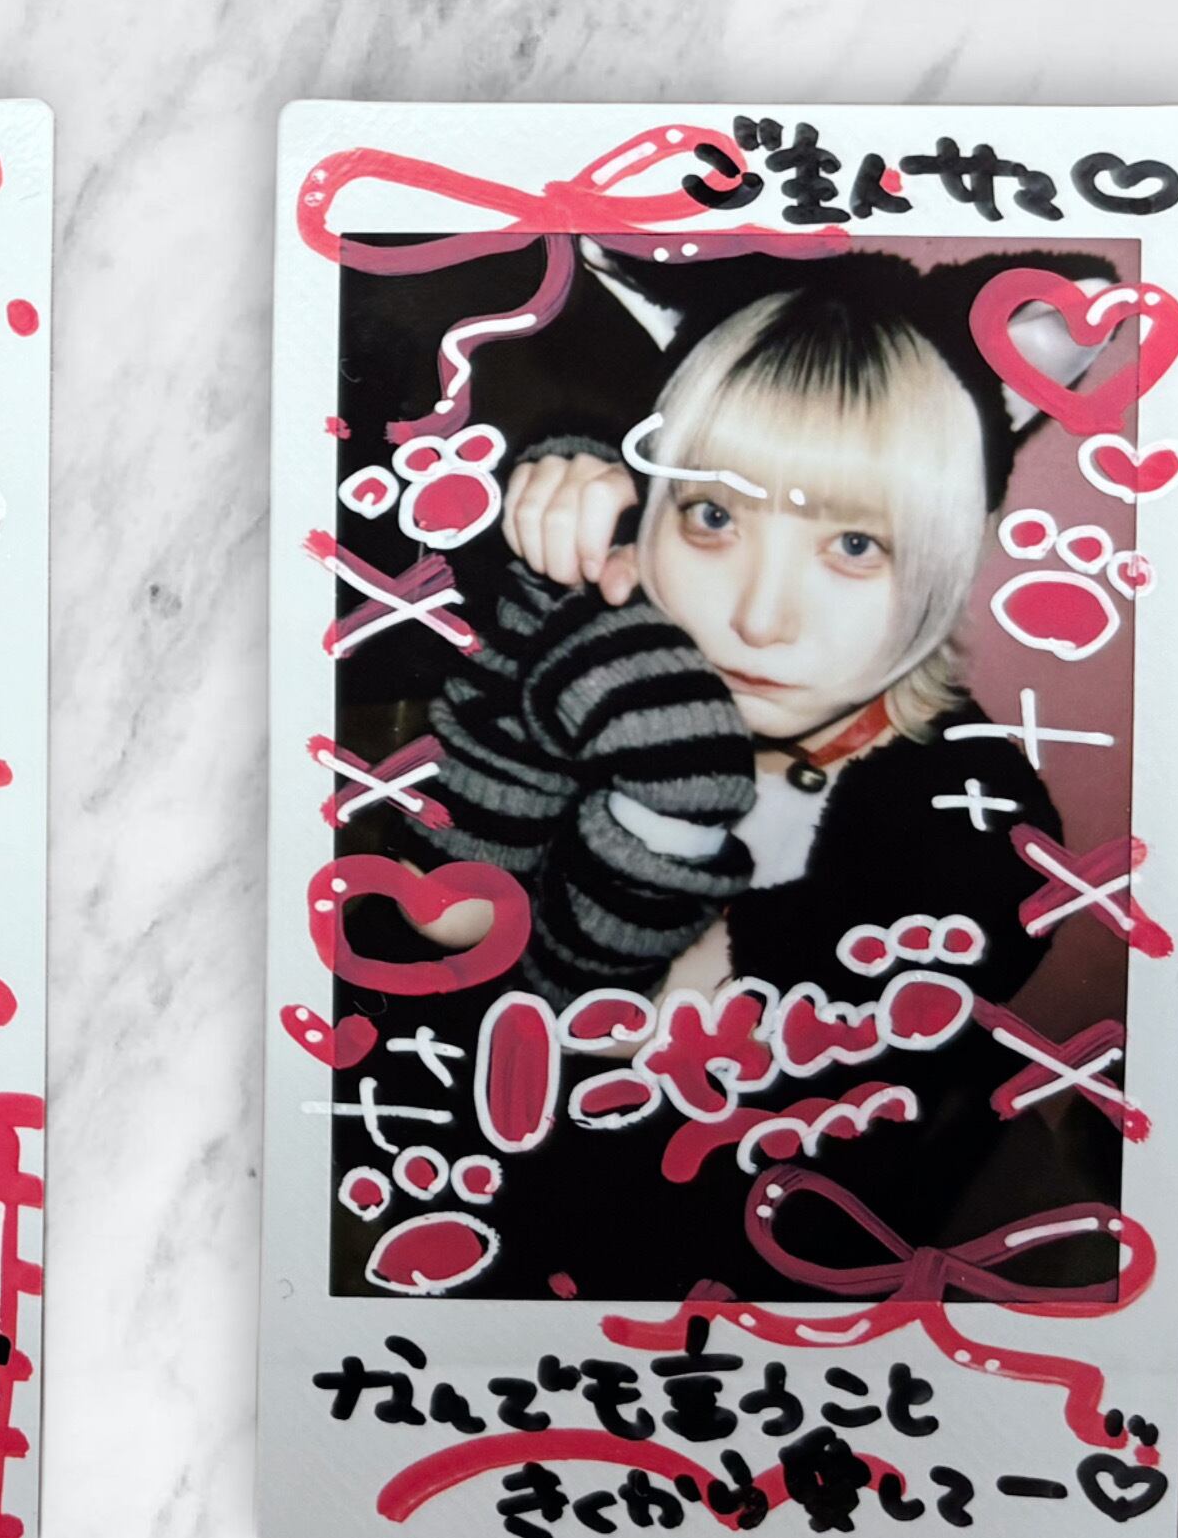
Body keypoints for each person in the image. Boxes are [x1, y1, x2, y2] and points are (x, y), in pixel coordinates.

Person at [400, 277, 1086, 1283]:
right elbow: (450, 917)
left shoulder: (974, 834)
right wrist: (555, 545)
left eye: (854, 544)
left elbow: (609, 1025)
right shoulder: (614, 658)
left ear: (951, 556)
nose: (761, 618)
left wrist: (666, 773)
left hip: (776, 1287)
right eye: (714, 516)